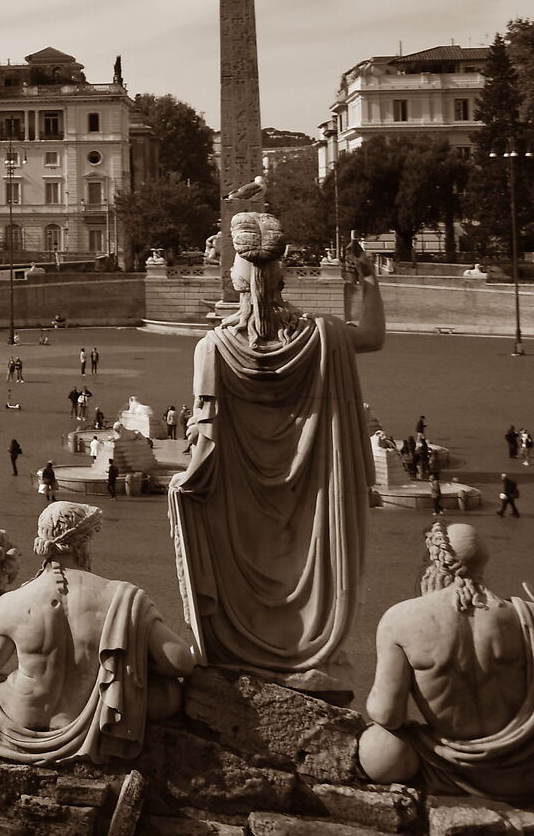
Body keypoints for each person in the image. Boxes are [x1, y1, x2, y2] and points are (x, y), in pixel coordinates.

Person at [171, 210, 382, 692]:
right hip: (310, 499)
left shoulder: (213, 348)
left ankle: (242, 645)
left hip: (238, 506)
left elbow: (204, 450)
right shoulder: (322, 337)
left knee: (232, 565)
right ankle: (306, 641)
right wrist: (367, 284)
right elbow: (371, 337)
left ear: (241, 276)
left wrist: (182, 484)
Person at [0, 502, 195, 811]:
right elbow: (179, 661)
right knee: (167, 693)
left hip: (18, 721)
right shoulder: (123, 598)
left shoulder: (14, 601)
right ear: (82, 543)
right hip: (91, 724)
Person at [359, 523, 534, 797]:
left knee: (379, 745)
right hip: (523, 769)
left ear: (435, 561)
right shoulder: (526, 616)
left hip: (445, 765)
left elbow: (386, 714)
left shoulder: (400, 619)